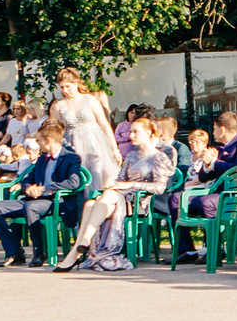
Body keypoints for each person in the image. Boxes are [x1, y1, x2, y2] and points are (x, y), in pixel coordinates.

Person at [58, 117, 175, 273]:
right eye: (130, 132)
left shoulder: (158, 157)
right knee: (90, 204)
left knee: (109, 196)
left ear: (148, 133)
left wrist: (130, 185)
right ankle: (79, 249)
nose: (130, 135)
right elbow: (120, 179)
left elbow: (160, 187)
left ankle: (80, 247)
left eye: (135, 132)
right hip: (119, 196)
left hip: (138, 201)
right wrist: (112, 181)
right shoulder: (132, 156)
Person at [0, 122, 83, 268]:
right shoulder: (42, 158)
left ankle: (40, 253)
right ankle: (14, 252)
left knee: (31, 207)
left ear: (48, 140)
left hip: (56, 201)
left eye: (38, 140)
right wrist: (27, 188)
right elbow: (28, 179)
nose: (37, 144)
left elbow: (74, 182)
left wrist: (45, 189)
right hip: (33, 200)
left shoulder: (71, 157)